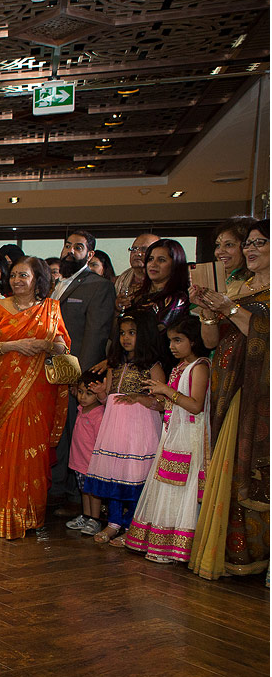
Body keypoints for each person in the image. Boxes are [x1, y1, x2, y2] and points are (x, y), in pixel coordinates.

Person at [189, 218, 269, 580]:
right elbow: (209, 341)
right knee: (228, 463)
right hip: (227, 382)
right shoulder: (238, 286)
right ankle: (235, 551)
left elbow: (263, 330)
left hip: (259, 389)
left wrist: (230, 309)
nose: (250, 249)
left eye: (259, 242)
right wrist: (209, 309)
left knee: (250, 462)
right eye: (248, 243)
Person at [0, 257, 69, 540]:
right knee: (0, 446)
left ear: (39, 279)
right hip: (1, 387)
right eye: (13, 275)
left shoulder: (51, 309)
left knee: (31, 448)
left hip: (37, 391)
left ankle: (28, 514)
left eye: (23, 275)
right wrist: (17, 345)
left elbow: (62, 346)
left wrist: (46, 344)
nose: (16, 281)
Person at [124, 316, 211, 563]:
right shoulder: (179, 367)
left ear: (194, 341)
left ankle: (180, 547)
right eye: (170, 340)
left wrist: (166, 391)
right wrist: (151, 398)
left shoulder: (200, 367)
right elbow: (170, 404)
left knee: (184, 489)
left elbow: (195, 406)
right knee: (169, 486)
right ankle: (165, 545)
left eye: (178, 340)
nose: (172, 346)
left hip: (190, 438)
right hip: (173, 435)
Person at [81, 310, 166, 546]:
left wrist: (141, 399)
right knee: (114, 475)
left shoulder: (152, 366)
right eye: (122, 333)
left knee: (135, 476)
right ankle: (114, 523)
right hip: (115, 429)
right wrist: (100, 395)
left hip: (140, 430)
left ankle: (133, 525)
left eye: (132, 333)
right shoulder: (115, 364)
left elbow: (164, 402)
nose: (125, 338)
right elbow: (110, 398)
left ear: (145, 334)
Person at [48, 229, 116, 514]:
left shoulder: (98, 286)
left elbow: (96, 334)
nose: (69, 251)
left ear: (89, 255)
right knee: (56, 432)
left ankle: (76, 498)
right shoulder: (56, 283)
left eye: (78, 247)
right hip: (50, 370)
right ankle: (56, 487)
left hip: (76, 375)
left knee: (77, 434)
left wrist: (82, 380)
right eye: (67, 245)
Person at [65, 372, 107, 537]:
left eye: (89, 393)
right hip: (79, 460)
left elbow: (100, 441)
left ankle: (95, 519)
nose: (82, 397)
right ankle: (86, 515)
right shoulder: (81, 409)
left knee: (93, 492)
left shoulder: (99, 414)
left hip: (91, 462)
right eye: (81, 392)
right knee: (84, 490)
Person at [131, 239, 190, 331]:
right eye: (150, 259)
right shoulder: (137, 295)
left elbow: (158, 331)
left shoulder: (177, 299)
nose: (153, 264)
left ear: (175, 264)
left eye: (161, 260)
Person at [115, 232, 159, 311]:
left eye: (144, 250)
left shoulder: (162, 277)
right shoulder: (124, 277)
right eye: (134, 249)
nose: (137, 253)